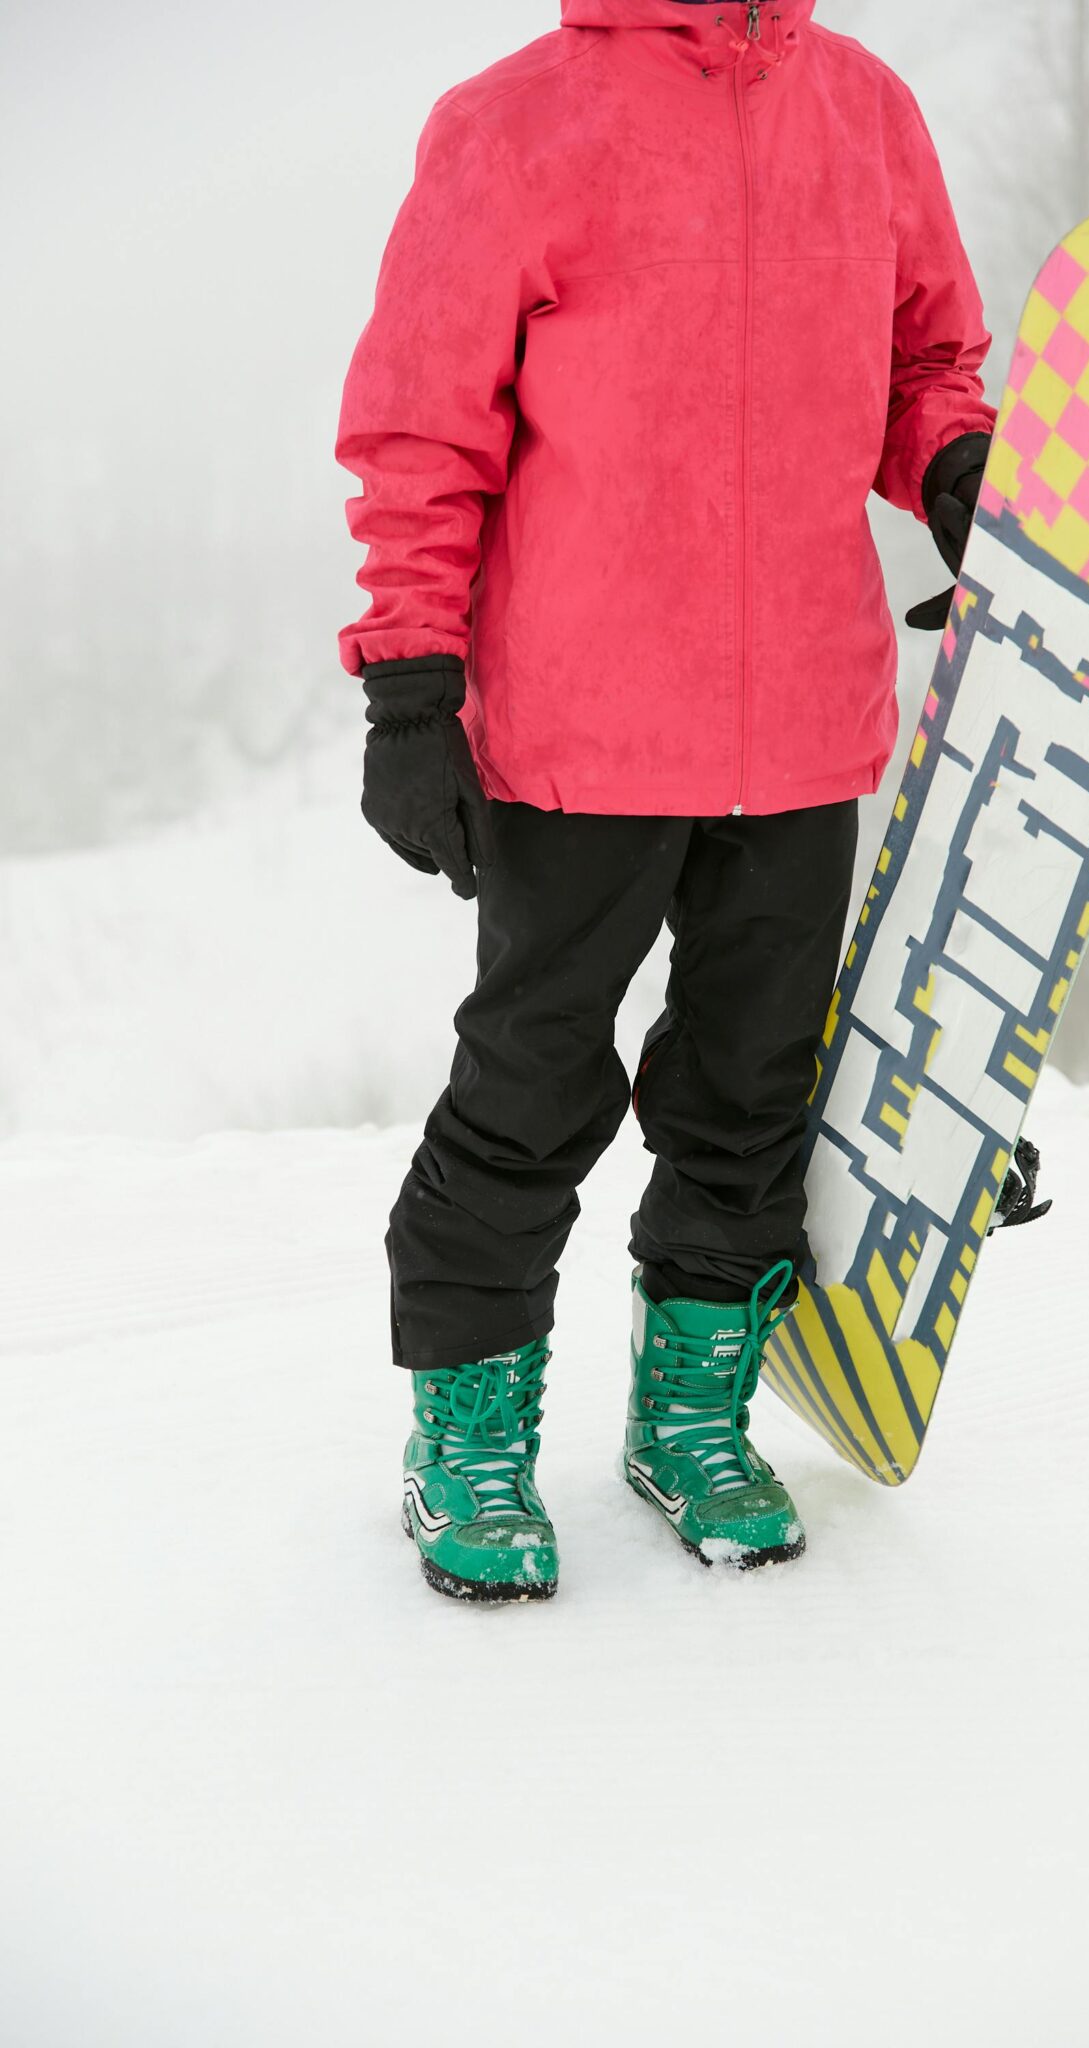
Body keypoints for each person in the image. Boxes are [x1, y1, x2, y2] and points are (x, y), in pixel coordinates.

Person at [336, 0, 996, 1604]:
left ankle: (690, 1411)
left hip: (802, 721)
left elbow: (924, 361)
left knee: (753, 1080)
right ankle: (469, 1434)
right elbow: (423, 422)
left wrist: (960, 470)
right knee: (531, 1079)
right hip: (580, 722)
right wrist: (413, 679)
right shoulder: (517, 117)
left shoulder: (864, 108)